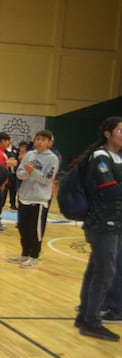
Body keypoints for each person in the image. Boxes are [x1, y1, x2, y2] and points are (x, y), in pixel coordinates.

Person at [73, 117, 122, 341]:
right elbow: (110, 190)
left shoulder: (116, 157)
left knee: (96, 269)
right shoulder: (101, 157)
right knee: (105, 272)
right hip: (102, 223)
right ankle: (92, 321)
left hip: (113, 222)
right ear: (107, 134)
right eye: (120, 130)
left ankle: (85, 315)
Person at [7, 130, 59, 268]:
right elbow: (19, 174)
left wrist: (32, 172)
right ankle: (24, 254)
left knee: (35, 230)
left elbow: (47, 179)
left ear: (50, 143)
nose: (40, 142)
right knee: (23, 228)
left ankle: (34, 256)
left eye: (43, 139)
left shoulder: (52, 158)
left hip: (39, 199)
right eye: (37, 139)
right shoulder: (29, 155)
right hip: (24, 197)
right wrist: (27, 173)